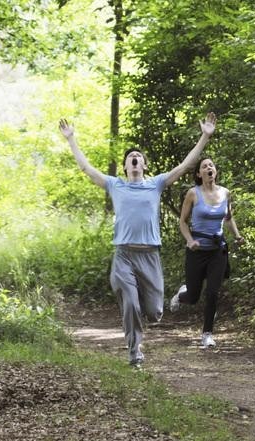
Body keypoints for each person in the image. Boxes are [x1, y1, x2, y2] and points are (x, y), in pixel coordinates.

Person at [59, 114, 216, 366]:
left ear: (143, 166)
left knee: (154, 313)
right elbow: (86, 169)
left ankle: (152, 310)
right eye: (130, 159)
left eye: (139, 158)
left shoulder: (155, 184)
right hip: (123, 256)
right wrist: (71, 139)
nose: (134, 160)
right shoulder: (114, 185)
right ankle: (134, 351)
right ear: (125, 167)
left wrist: (205, 136)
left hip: (149, 256)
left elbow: (185, 166)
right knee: (130, 304)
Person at [170, 157, 244, 348]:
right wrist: (189, 241)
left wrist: (237, 236)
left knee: (212, 292)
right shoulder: (193, 194)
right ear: (198, 174)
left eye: (211, 165)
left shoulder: (226, 193)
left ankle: (207, 334)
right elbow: (183, 222)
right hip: (196, 251)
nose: (209, 168)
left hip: (217, 251)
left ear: (215, 171)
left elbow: (228, 218)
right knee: (193, 297)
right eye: (204, 166)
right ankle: (181, 295)